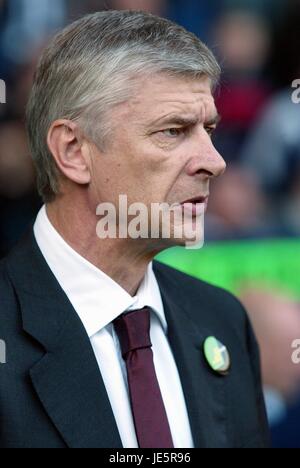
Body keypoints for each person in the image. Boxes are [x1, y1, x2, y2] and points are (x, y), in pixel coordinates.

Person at [0, 10, 269, 448]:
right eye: (173, 131)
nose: (215, 161)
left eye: (210, 129)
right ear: (73, 151)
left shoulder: (222, 319)